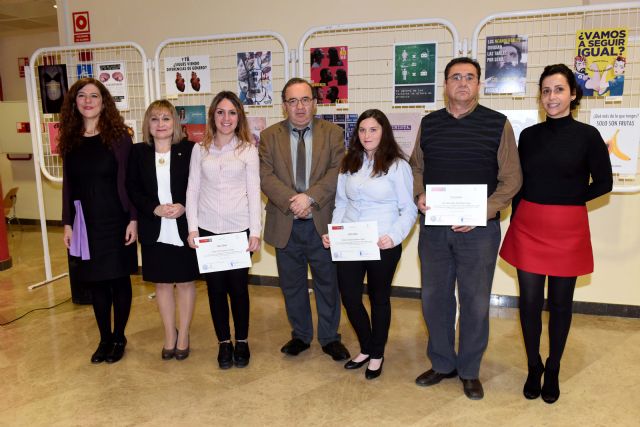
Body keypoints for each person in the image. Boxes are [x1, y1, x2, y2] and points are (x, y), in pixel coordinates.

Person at [409, 57, 522, 399]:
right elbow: (416, 167)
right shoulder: (429, 124)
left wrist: (480, 212)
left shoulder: (497, 124)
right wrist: (419, 193)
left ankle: (470, 369)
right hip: (435, 229)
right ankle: (443, 363)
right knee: (434, 299)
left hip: (479, 232)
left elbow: (511, 179)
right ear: (445, 85)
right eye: (455, 77)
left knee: (474, 302)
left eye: (469, 77)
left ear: (479, 84)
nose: (462, 83)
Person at [500, 64, 613, 404]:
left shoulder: (588, 136)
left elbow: (604, 183)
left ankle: (554, 366)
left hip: (568, 228)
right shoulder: (529, 136)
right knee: (530, 303)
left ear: (573, 95)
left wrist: (570, 201)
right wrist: (516, 218)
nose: (552, 97)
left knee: (561, 304)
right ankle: (534, 365)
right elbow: (518, 184)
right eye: (546, 90)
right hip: (529, 225)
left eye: (559, 90)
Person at [322, 109, 417, 379]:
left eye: (373, 129)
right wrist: (335, 232)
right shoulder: (348, 162)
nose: (367, 135)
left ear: (384, 131)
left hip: (382, 242)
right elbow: (341, 203)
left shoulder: (398, 165)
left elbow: (408, 209)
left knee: (379, 299)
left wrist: (394, 236)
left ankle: (377, 353)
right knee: (350, 297)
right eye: (362, 130)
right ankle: (366, 346)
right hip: (351, 241)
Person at [259, 77, 350, 362]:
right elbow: (265, 176)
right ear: (284, 105)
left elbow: (337, 171)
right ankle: (300, 335)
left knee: (327, 283)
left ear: (315, 102)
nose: (299, 107)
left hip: (320, 221)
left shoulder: (333, 133)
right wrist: (294, 201)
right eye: (292, 101)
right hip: (285, 222)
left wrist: (309, 197)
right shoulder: (269, 136)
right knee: (292, 284)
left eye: (305, 100)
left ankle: (329, 337)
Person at [59, 77, 138, 364]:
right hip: (86, 223)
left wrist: (133, 219)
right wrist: (67, 223)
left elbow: (130, 182)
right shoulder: (70, 139)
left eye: (94, 95)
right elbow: (69, 185)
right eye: (82, 96)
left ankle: (119, 336)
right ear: (75, 102)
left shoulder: (119, 138)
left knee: (118, 280)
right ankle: (104, 338)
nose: (88, 101)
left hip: (116, 220)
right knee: (96, 282)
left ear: (104, 102)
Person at [185, 91, 261, 369]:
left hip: (239, 231)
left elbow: (254, 193)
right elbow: (192, 190)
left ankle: (241, 341)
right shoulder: (199, 149)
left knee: (238, 290)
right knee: (215, 290)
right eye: (220, 112)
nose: (226, 118)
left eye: (231, 112)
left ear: (238, 116)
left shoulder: (248, 150)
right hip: (208, 231)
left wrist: (255, 232)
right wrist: (193, 229)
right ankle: (223, 343)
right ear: (212, 116)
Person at [126, 100, 198, 361]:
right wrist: (154, 208)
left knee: (186, 282)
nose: (160, 124)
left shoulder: (190, 150)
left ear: (175, 123)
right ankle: (169, 334)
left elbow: (199, 186)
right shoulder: (138, 152)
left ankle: (184, 335)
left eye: (166, 118)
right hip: (154, 227)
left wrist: (183, 206)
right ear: (148, 124)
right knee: (163, 284)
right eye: (154, 119)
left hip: (182, 227)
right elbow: (132, 188)